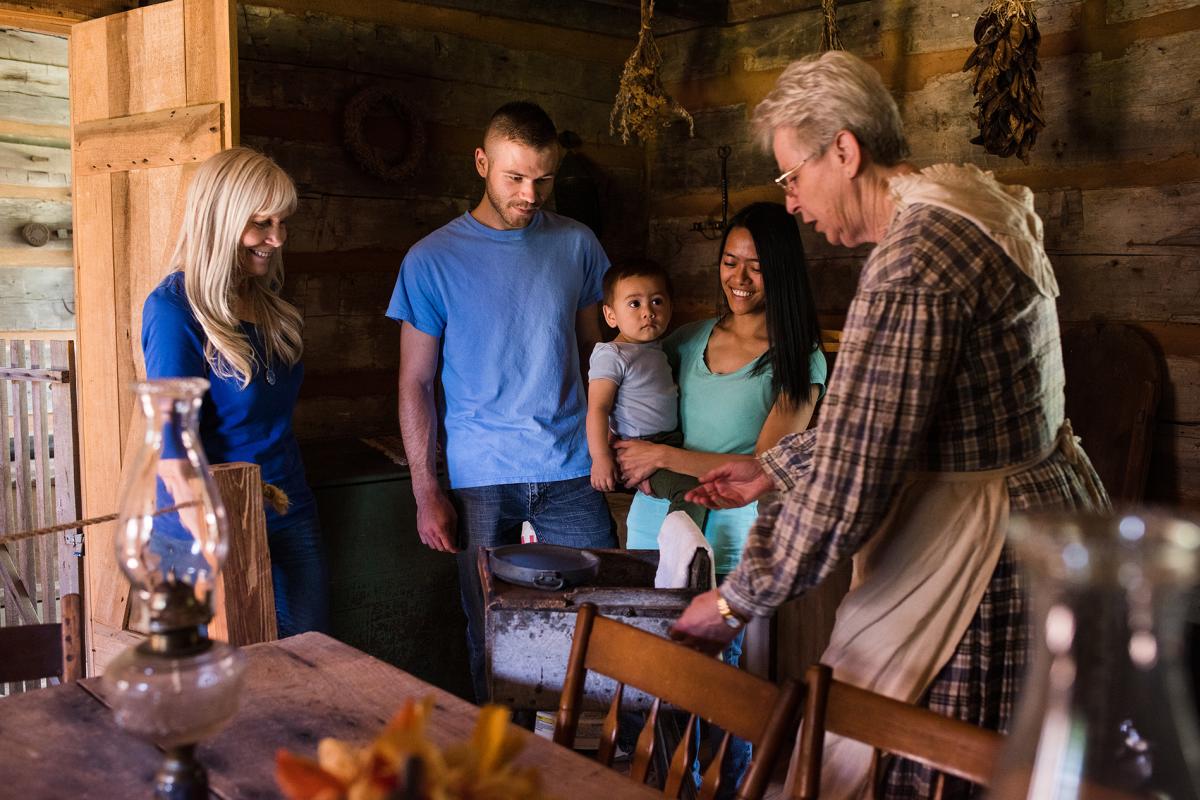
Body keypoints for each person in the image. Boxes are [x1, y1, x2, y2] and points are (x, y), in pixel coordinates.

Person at [671, 51, 1110, 798]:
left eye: (792, 177)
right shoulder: (965, 206)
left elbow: (854, 478)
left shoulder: (916, 262)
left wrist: (734, 599)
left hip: (978, 558)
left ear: (844, 150)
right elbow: (892, 415)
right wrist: (772, 467)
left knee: (911, 760)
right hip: (1042, 525)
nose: (792, 204)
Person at [387, 101, 618, 703]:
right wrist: (425, 489)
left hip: (572, 469)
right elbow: (415, 381)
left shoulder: (578, 245)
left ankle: (579, 767)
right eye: (515, 177)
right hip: (481, 476)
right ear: (482, 163)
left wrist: (617, 444)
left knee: (601, 623)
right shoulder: (431, 259)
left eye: (543, 179)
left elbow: (599, 356)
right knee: (492, 633)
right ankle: (502, 765)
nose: (530, 193)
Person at [614, 202, 827, 798]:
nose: (738, 277)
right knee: (646, 684)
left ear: (780, 271)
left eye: (755, 266)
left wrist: (663, 459)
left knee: (719, 691)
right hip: (653, 529)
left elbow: (767, 465)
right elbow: (627, 392)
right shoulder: (684, 340)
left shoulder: (797, 356)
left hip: (731, 542)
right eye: (728, 262)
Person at [141, 146, 329, 638]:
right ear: (219, 221)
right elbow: (174, 444)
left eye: (282, 223)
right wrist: (211, 538)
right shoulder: (173, 310)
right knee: (223, 686)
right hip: (204, 525)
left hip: (288, 508)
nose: (276, 239)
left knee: (308, 664)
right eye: (261, 223)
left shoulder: (267, 305)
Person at [586, 260, 708, 531]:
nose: (648, 312)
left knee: (708, 474)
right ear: (610, 315)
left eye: (656, 302)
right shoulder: (612, 354)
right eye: (634, 304)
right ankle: (679, 548)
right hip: (638, 446)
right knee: (693, 492)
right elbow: (598, 408)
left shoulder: (656, 349)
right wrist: (600, 457)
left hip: (669, 443)